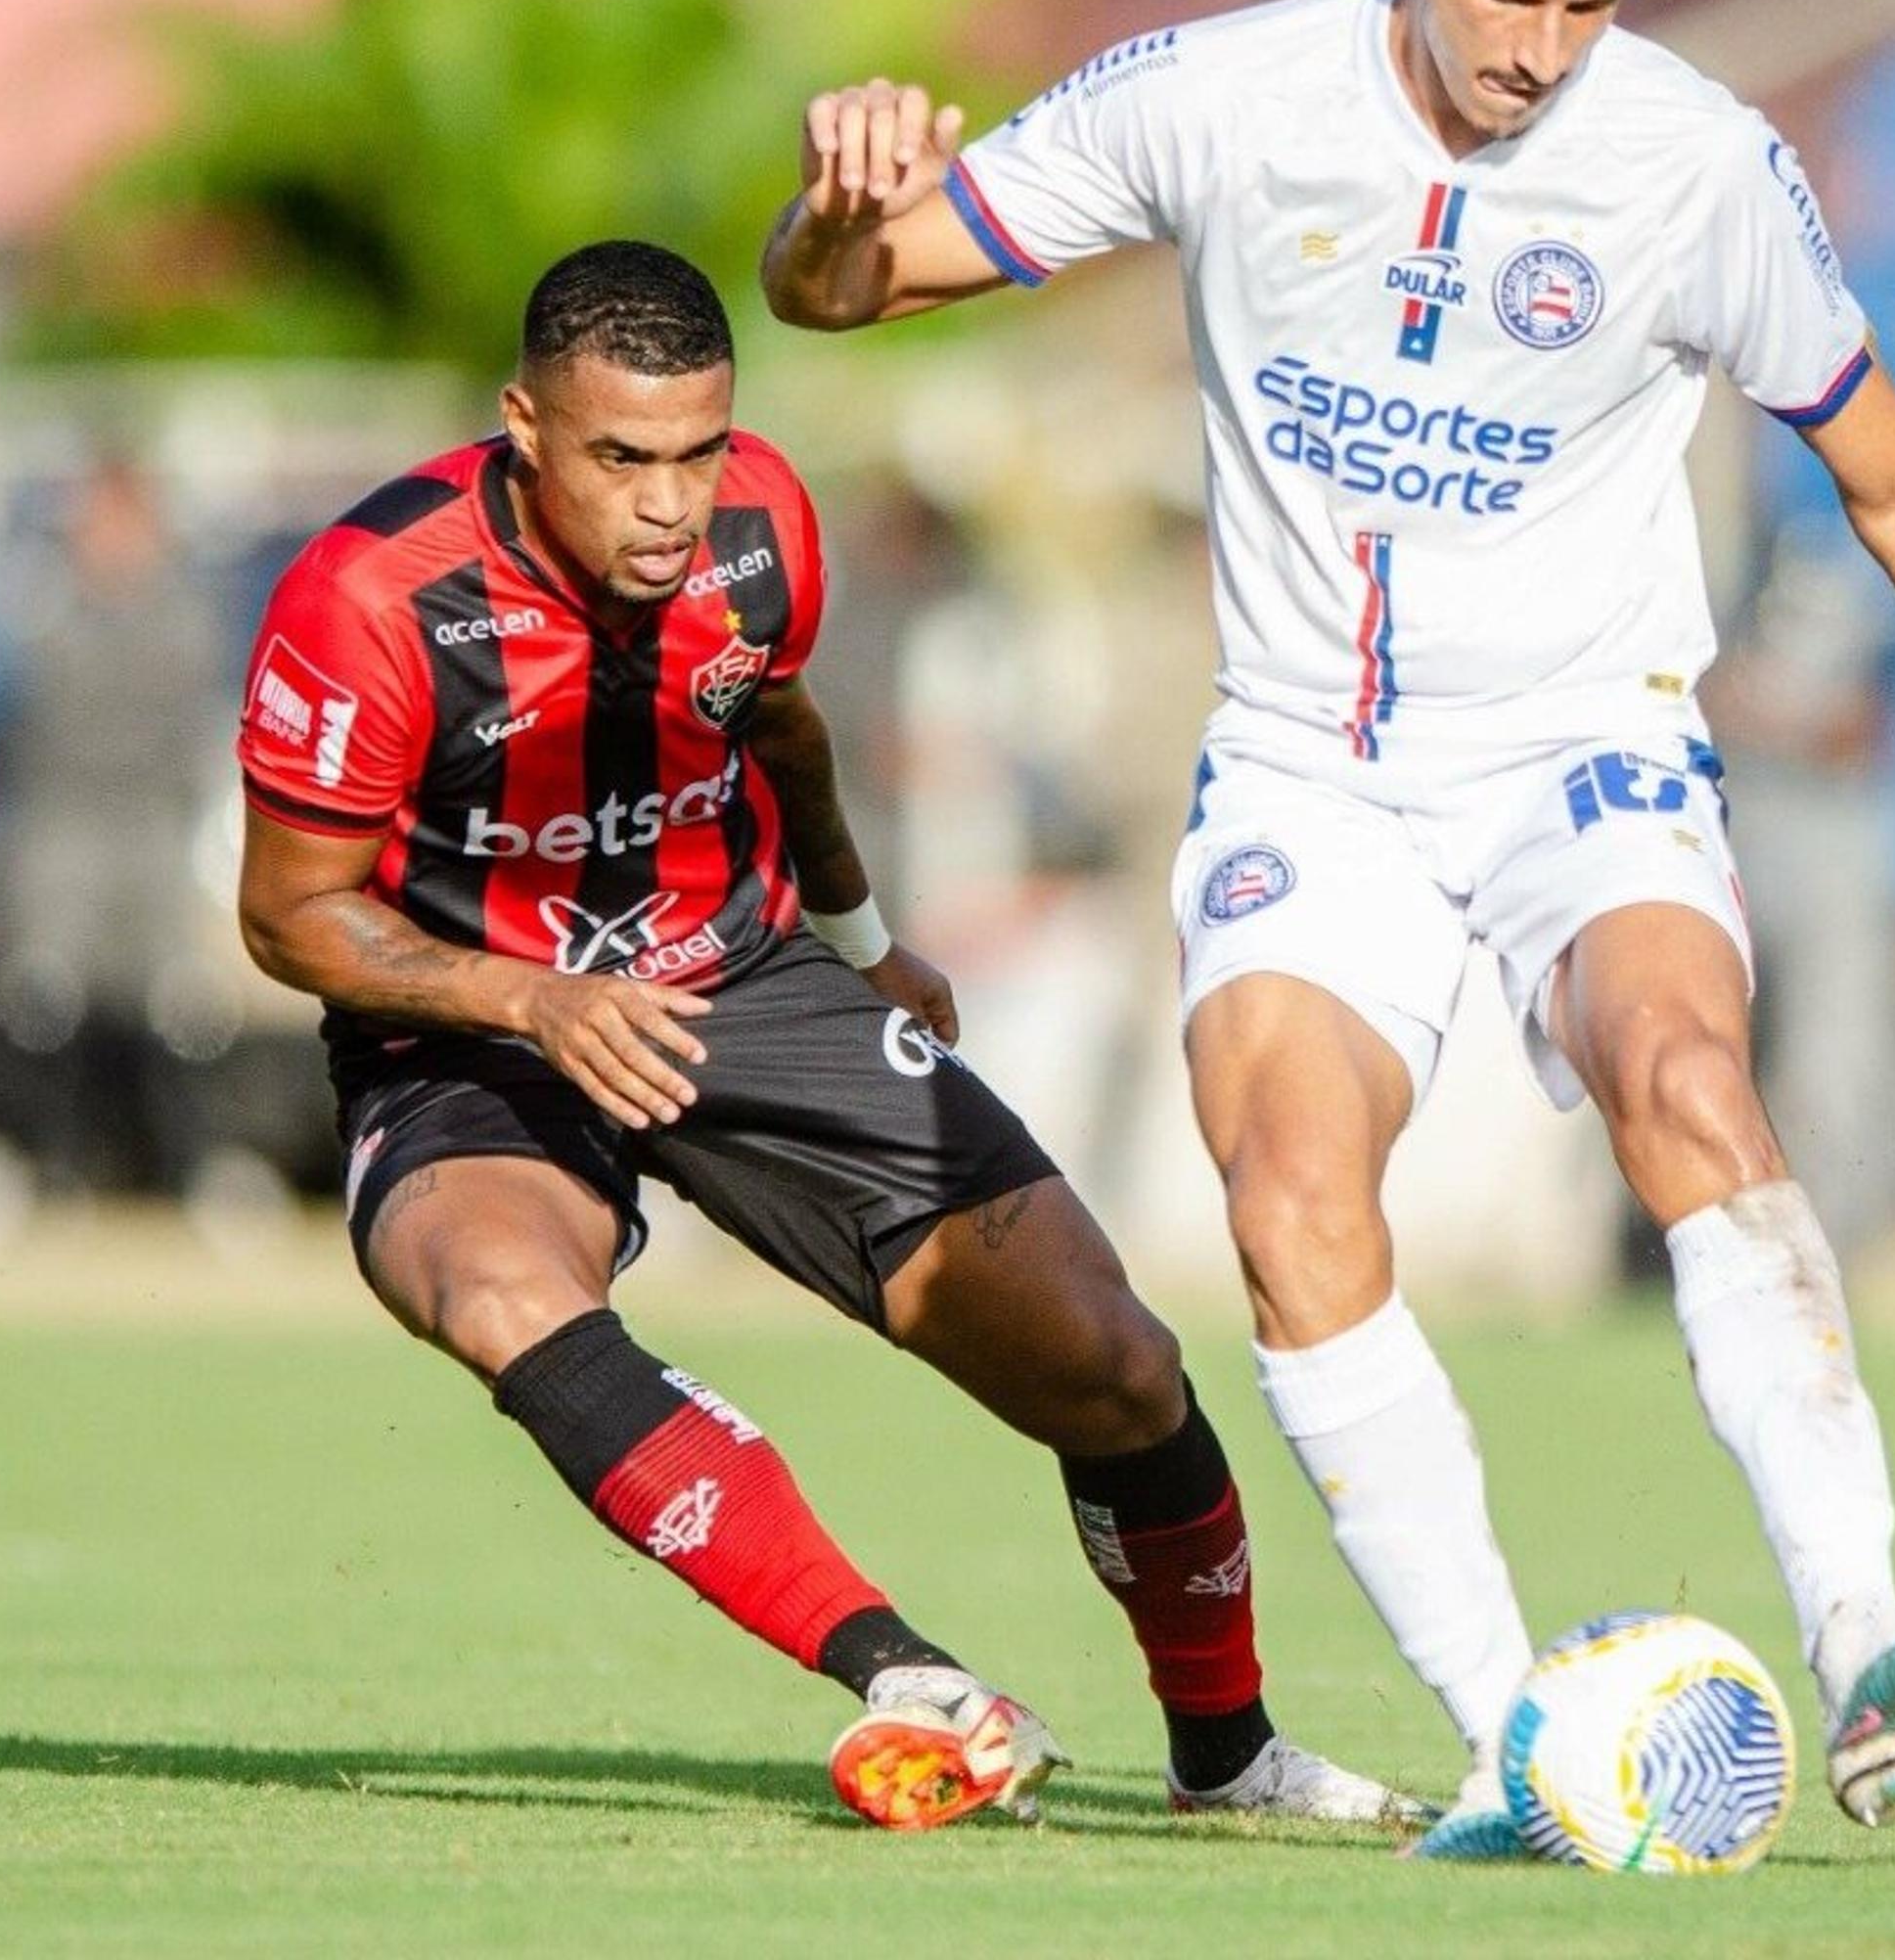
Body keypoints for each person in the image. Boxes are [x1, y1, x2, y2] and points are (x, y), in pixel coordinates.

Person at [760, 0, 1895, 1853]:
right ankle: (1516, 1746)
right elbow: (842, 292)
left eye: (1590, 3)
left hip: (1587, 746)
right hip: (1308, 758)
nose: (1543, 53)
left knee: (1685, 1077)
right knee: (1288, 1198)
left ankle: (1870, 1647)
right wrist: (830, 208)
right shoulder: (1223, 94)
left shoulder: (1699, 166)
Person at [232, 241, 1411, 1835]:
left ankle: (1231, 1759)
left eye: (698, 451)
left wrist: (864, 941)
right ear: (524, 427)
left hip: (746, 979)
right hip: (472, 1029)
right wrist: (536, 1000)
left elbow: (773, 721)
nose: (669, 504)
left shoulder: (766, 528)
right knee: (494, 1289)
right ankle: (904, 1674)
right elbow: (289, 916)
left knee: (1114, 1365)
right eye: (621, 459)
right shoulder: (373, 597)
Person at [0, 447, 229, 1196]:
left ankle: (174, 1171)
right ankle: (55, 1169)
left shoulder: (182, 615)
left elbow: (191, 730)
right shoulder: (47, 609)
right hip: (65, 824)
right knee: (50, 998)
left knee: (173, 1004)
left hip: (152, 827)